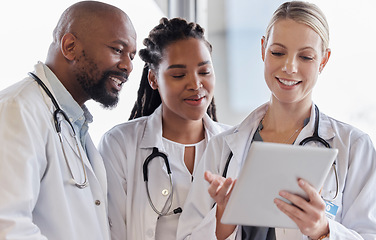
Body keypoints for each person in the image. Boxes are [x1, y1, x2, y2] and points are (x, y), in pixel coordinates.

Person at [177, 1, 376, 240]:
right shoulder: (222, 149)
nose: (289, 67)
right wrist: (222, 218)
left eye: (305, 57)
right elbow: (186, 237)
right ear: (263, 49)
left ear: (323, 60)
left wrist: (323, 230)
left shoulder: (354, 148)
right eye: (278, 53)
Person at [0, 1, 136, 239]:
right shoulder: (17, 110)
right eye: (117, 50)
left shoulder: (74, 123)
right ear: (70, 46)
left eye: (131, 55)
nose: (128, 66)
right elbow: (8, 226)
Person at [98, 17, 231, 240]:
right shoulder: (120, 144)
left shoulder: (235, 145)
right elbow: (113, 233)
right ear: (153, 79)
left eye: (205, 72)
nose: (196, 85)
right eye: (179, 75)